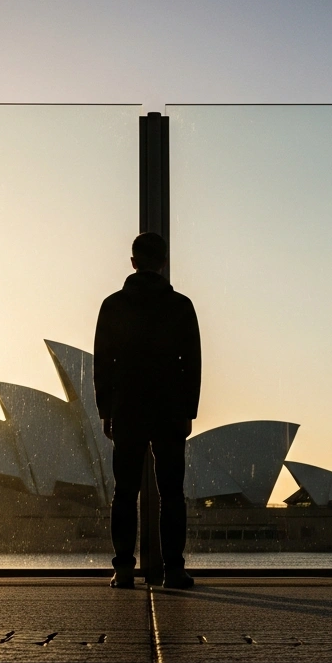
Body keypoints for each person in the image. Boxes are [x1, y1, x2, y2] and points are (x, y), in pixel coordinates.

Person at [93, 232, 201, 590]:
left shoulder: (113, 305)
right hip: (169, 409)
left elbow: (102, 363)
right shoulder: (181, 305)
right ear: (164, 262)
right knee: (172, 493)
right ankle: (173, 569)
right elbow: (192, 363)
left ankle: (123, 569)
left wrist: (105, 409)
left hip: (127, 408)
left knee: (124, 492)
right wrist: (189, 410)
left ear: (134, 262)